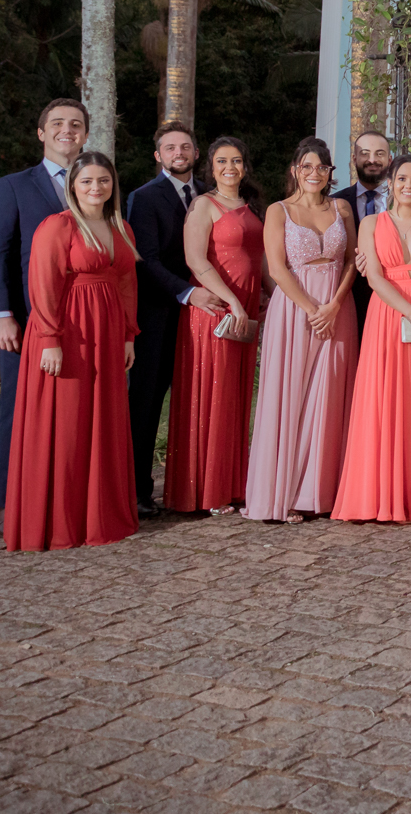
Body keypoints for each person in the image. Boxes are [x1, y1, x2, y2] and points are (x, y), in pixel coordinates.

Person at [3, 151, 139, 551]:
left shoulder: (121, 228)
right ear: (72, 186)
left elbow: (128, 285)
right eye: (87, 181)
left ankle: (99, 515)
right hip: (70, 333)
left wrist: (130, 335)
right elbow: (43, 287)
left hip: (109, 334)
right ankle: (59, 522)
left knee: (103, 422)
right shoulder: (57, 226)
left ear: (113, 185)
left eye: (104, 181)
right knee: (66, 426)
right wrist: (49, 339)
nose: (96, 188)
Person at [0, 97, 90, 536]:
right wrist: (2, 313)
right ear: (42, 133)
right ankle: (8, 503)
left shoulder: (96, 184)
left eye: (77, 124)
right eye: (59, 123)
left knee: (74, 411)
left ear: (85, 135)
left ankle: (68, 499)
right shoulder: (15, 185)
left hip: (83, 321)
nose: (68, 130)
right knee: (18, 409)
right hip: (28, 321)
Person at [333, 154, 411, 523]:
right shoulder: (370, 222)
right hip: (388, 317)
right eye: (402, 178)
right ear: (390, 182)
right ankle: (378, 494)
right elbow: (375, 278)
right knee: (384, 401)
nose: (409, 185)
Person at [243, 139, 357, 523]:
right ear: (294, 170)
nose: (314, 174)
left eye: (321, 167)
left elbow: (351, 263)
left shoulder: (341, 208)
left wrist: (335, 304)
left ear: (330, 172)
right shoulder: (279, 211)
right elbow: (276, 268)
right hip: (295, 308)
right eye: (306, 167)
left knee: (328, 394)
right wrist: (311, 309)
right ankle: (283, 493)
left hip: (337, 307)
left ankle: (319, 492)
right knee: (289, 394)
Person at [166, 136, 265, 515]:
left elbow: (261, 259)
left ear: (245, 166)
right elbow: (195, 260)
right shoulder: (204, 205)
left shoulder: (252, 206)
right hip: (214, 311)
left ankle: (232, 484)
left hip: (246, 310)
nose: (230, 167)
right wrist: (234, 301)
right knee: (213, 395)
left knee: (237, 397)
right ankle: (204, 492)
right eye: (222, 161)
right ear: (211, 166)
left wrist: (270, 296)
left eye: (237, 160)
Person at [125, 121, 214, 517]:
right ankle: (138, 491)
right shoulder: (143, 198)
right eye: (170, 148)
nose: (179, 153)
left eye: (186, 147)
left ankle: (191, 489)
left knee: (196, 402)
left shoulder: (211, 197)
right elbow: (145, 261)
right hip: (159, 315)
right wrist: (187, 292)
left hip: (205, 317)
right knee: (145, 405)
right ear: (158, 155)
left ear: (196, 154)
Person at [331, 129, 392, 343]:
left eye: (380, 154)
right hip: (348, 298)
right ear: (354, 158)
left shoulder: (406, 203)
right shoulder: (333, 204)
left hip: (394, 295)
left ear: (390, 159)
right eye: (365, 153)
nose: (372, 160)